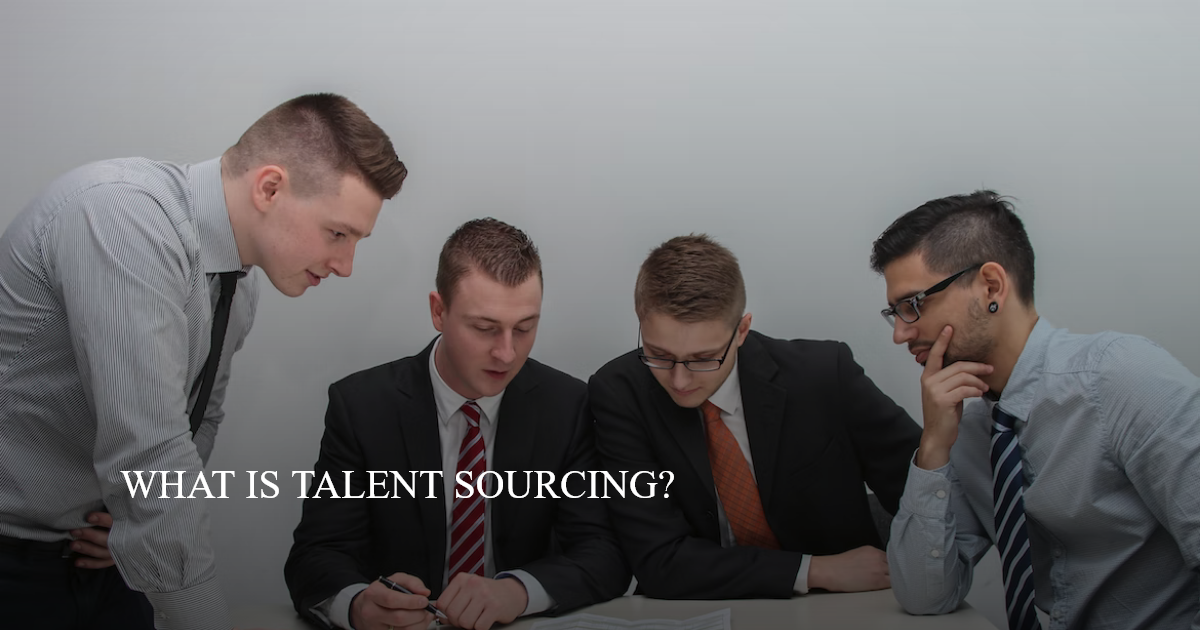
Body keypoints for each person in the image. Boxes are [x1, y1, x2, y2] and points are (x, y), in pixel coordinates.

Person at [0, 93, 407, 630]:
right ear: (269, 188)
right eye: (338, 233)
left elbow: (199, 421)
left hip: (106, 560)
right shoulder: (122, 217)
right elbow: (150, 454)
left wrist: (130, 526)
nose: (345, 265)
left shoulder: (241, 286)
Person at [872, 190, 1200, 629]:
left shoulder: (1121, 378)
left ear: (991, 286)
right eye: (894, 312)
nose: (900, 334)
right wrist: (932, 446)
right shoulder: (967, 431)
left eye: (913, 305)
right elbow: (924, 597)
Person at [285, 218, 630, 630]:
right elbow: (317, 554)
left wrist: (517, 592)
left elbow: (604, 552)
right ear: (439, 311)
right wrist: (359, 606)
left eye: (524, 328)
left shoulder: (568, 406)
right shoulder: (362, 407)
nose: (506, 353)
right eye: (484, 328)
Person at [588, 234, 922, 599]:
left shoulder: (824, 375)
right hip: (697, 608)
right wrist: (813, 570)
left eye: (704, 358)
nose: (680, 381)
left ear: (742, 331)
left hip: (845, 606)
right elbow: (659, 561)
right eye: (659, 354)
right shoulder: (620, 393)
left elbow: (923, 494)